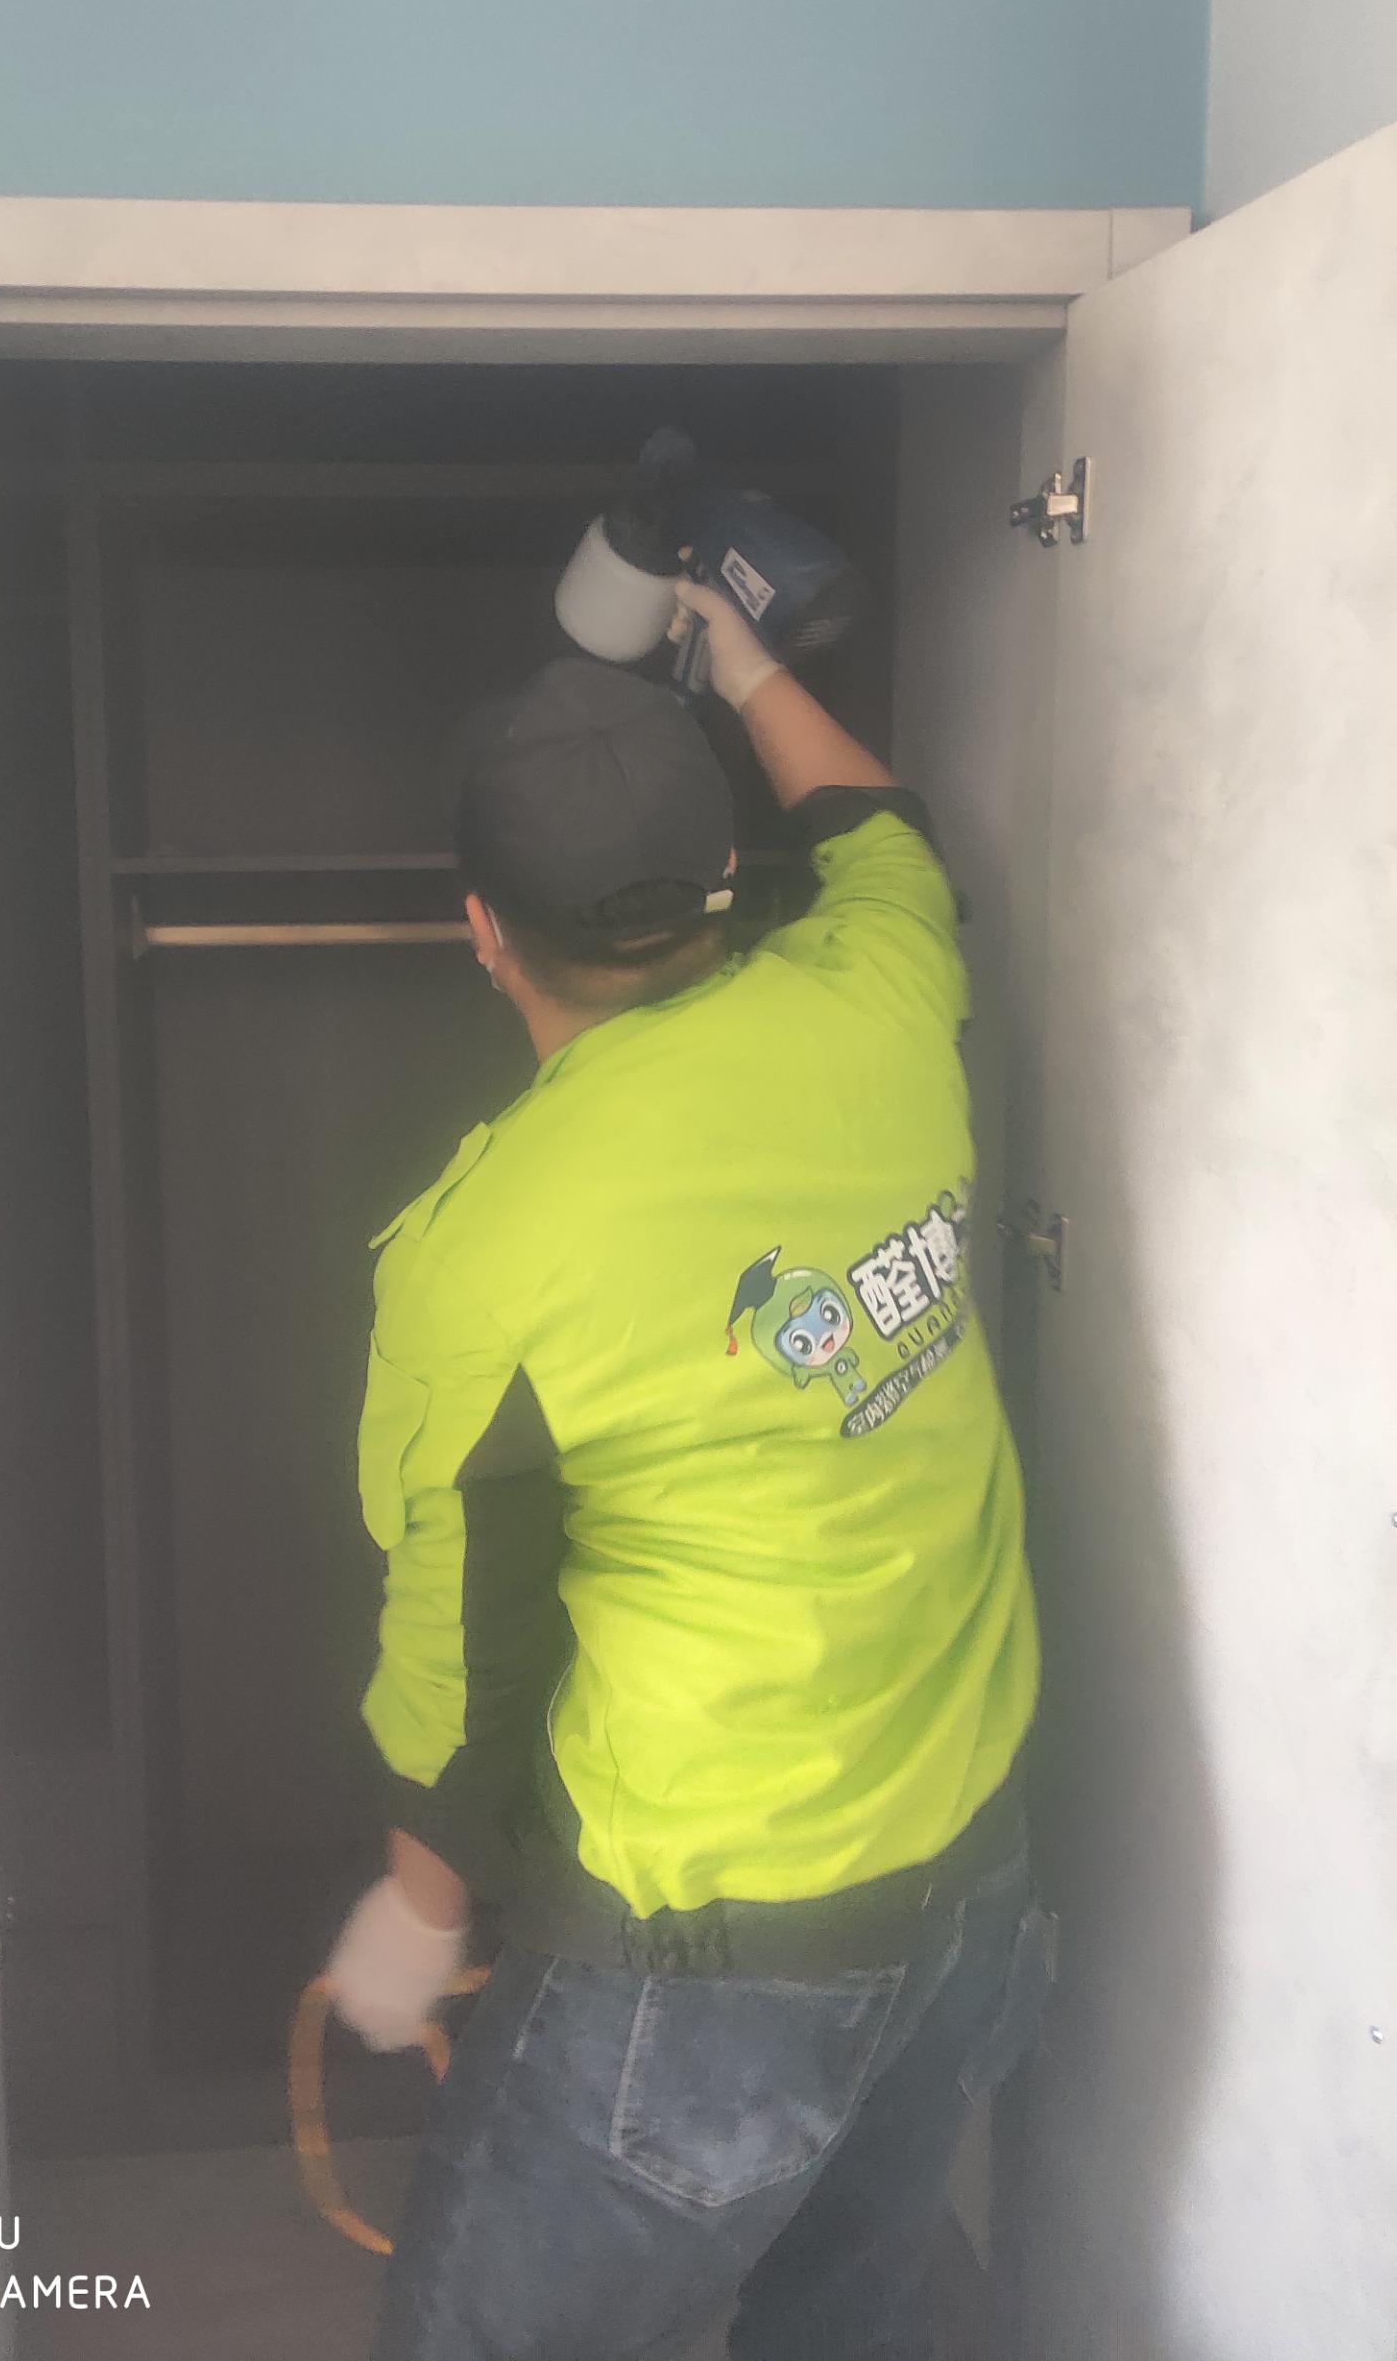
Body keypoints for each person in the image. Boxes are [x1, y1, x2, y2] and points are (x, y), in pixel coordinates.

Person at [322, 574, 1051, 2361]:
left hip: (710, 1968)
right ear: (729, 877)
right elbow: (877, 824)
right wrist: (743, 656)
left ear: (484, 933)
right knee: (852, 2309)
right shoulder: (884, 989)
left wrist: (417, 1912)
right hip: (970, 1884)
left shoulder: (483, 1253)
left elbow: (461, 1667)